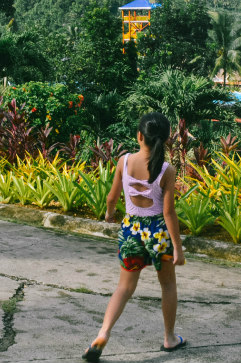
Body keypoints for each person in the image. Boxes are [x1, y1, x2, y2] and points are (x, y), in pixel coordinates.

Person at [83, 112, 186, 361]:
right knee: (168, 285)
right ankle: (169, 338)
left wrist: (109, 214)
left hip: (131, 231)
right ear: (166, 139)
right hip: (158, 234)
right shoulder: (167, 170)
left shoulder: (124, 161)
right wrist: (178, 248)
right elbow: (168, 212)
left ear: (139, 136)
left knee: (124, 287)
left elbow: (111, 198)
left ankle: (104, 333)